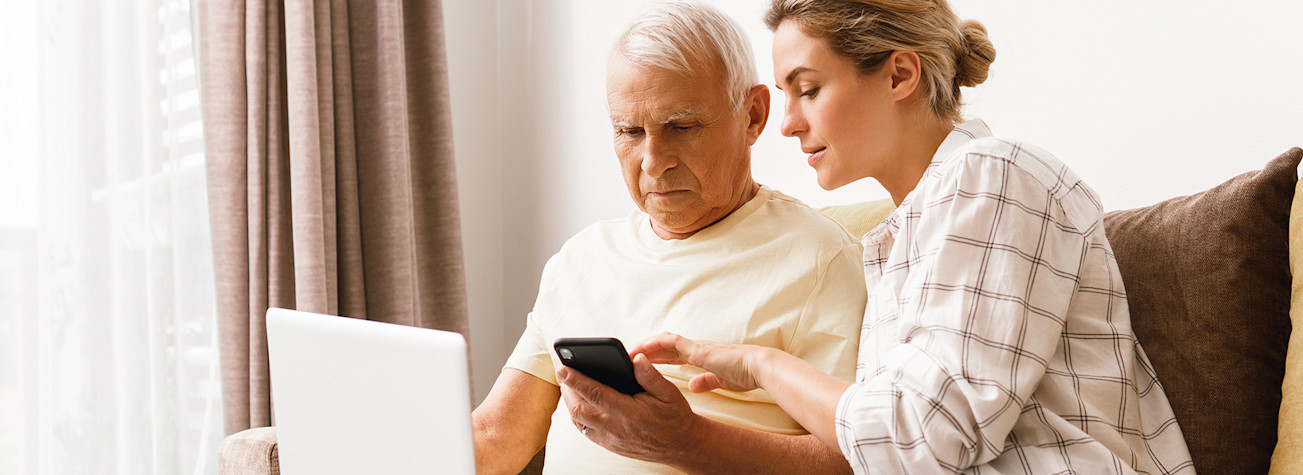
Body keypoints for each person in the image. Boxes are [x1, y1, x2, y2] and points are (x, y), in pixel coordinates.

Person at [565, 0, 1198, 473]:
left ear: (899, 75)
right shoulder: (903, 236)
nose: (786, 124)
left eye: (807, 90)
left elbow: (923, 440)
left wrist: (760, 363)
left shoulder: (994, 177)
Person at [471, 1, 868, 473]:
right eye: (629, 130)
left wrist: (688, 442)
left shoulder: (821, 259)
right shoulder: (581, 260)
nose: (653, 160)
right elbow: (496, 437)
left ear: (754, 116)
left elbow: (857, 458)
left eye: (681, 127)